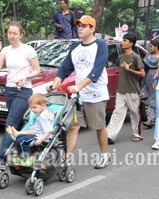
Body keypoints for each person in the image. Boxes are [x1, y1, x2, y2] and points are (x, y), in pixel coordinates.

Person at [47, 15, 109, 169]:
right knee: (74, 126)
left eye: (83, 26)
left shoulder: (100, 46)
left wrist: (79, 86)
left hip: (96, 94)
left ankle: (104, 155)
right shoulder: (75, 47)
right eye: (78, 26)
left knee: (99, 126)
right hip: (79, 96)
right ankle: (67, 158)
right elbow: (64, 68)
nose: (79, 28)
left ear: (92, 28)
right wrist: (54, 84)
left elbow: (96, 71)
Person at [0, 21, 41, 169]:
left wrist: (25, 77)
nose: (11, 36)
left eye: (15, 33)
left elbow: (37, 70)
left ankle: (0, 159)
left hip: (23, 91)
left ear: (21, 34)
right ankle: (26, 155)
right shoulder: (6, 50)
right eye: (9, 33)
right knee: (18, 124)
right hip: (9, 90)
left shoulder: (28, 50)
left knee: (10, 123)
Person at [106, 33, 145, 144]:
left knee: (134, 113)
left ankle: (137, 134)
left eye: (125, 40)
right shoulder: (121, 57)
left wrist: (129, 70)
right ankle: (110, 135)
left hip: (133, 90)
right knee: (117, 112)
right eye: (123, 40)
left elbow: (142, 74)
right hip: (121, 90)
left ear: (131, 43)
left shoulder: (136, 57)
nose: (122, 42)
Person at [6, 93, 54, 167]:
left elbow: (49, 130)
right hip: (37, 133)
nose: (32, 110)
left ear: (43, 106)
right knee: (19, 137)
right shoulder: (45, 112)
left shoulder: (43, 116)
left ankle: (28, 158)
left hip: (39, 137)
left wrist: (41, 139)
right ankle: (18, 136)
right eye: (31, 108)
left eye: (34, 107)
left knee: (20, 141)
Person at [141, 39, 159, 128]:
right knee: (149, 98)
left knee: (155, 98)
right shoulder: (148, 56)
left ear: (156, 46)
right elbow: (144, 68)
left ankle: (151, 119)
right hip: (148, 78)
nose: (149, 48)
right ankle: (152, 119)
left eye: (151, 46)